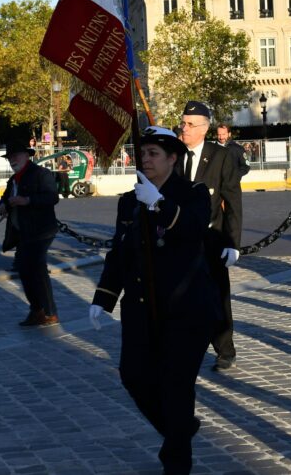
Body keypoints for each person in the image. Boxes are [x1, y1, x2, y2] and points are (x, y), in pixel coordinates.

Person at [89, 126, 221, 475]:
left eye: (153, 154)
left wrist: (159, 205)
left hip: (186, 310)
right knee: (132, 376)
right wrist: (103, 298)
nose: (144, 160)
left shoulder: (193, 194)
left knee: (176, 387)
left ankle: (176, 463)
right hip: (142, 309)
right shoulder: (129, 201)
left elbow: (192, 228)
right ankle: (178, 431)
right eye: (142, 153)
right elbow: (120, 255)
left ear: (173, 159)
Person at [176, 100, 242, 372]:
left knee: (217, 296)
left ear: (204, 128)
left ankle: (225, 350)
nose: (184, 129)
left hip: (211, 239)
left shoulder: (220, 156)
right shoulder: (174, 154)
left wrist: (233, 243)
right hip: (180, 241)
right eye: (182, 123)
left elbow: (233, 201)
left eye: (190, 124)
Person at [0, 139, 60, 326]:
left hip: (41, 230)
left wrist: (27, 200)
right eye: (9, 157)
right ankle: (37, 310)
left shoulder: (41, 174)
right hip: (23, 232)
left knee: (37, 268)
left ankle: (49, 312)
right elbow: (5, 199)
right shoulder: (13, 180)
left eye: (15, 155)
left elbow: (52, 197)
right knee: (25, 270)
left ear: (27, 156)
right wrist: (2, 205)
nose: (12, 160)